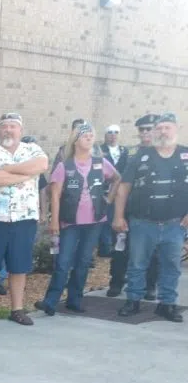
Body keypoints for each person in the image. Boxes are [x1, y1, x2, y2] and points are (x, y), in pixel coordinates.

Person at [35, 124, 121, 315]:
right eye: (85, 136)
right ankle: (51, 301)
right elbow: (55, 195)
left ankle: (75, 300)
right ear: (75, 141)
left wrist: (109, 199)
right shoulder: (64, 166)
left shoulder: (100, 163)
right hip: (70, 223)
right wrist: (54, 221)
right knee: (63, 262)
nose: (89, 138)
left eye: (91, 135)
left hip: (95, 222)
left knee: (83, 262)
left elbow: (117, 178)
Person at [0, 112, 49, 325]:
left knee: (19, 266)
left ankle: (17, 310)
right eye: (4, 126)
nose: (8, 130)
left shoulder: (32, 150)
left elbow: (42, 165)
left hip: (24, 218)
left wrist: (8, 170)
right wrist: (26, 175)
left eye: (12, 126)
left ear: (20, 130)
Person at [114, 112, 188, 322]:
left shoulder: (186, 154)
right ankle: (133, 301)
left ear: (176, 129)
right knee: (137, 265)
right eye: (159, 128)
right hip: (142, 222)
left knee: (171, 266)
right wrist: (118, 216)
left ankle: (167, 304)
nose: (163, 132)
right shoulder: (140, 156)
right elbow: (124, 187)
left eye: (167, 127)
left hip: (175, 224)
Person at [107, 114, 160, 298]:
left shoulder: (164, 153)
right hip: (128, 209)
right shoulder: (129, 153)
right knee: (120, 248)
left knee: (152, 250)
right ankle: (116, 282)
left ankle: (150, 285)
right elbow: (119, 179)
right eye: (141, 129)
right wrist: (113, 206)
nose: (145, 132)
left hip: (153, 211)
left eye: (149, 129)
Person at [0, 134, 49, 295]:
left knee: (22, 250)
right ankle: (0, 279)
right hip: (5, 215)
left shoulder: (36, 170)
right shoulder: (10, 165)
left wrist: (43, 211)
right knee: (4, 249)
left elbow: (42, 191)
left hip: (27, 216)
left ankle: (17, 281)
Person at [98, 124, 129, 257]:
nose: (113, 135)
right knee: (105, 219)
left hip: (122, 191)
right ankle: (105, 248)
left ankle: (118, 247)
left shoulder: (125, 150)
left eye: (116, 132)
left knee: (120, 216)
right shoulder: (99, 150)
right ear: (105, 135)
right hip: (105, 190)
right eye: (110, 132)